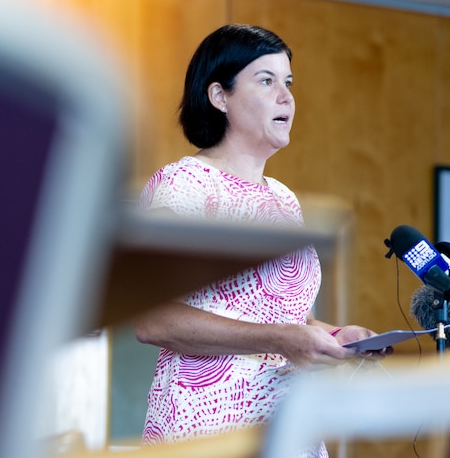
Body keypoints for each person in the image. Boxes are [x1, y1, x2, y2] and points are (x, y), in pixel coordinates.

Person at [131, 24, 391, 458]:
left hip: (289, 427)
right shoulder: (183, 185)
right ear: (220, 97)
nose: (286, 97)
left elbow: (289, 319)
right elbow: (151, 321)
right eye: (266, 81)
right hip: (208, 431)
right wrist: (278, 339)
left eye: (288, 82)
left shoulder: (284, 200)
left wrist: (340, 337)